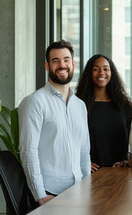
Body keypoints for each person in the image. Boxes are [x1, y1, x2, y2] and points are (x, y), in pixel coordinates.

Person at [19, 40, 91, 205]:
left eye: (66, 60)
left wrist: (88, 187)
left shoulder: (80, 106)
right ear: (47, 66)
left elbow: (84, 152)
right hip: (50, 194)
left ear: (73, 64)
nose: (62, 65)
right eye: (55, 61)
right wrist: (40, 195)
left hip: (79, 191)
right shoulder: (35, 101)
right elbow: (28, 151)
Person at [76, 54, 132, 172]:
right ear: (89, 73)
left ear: (111, 73)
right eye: (96, 69)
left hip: (119, 173)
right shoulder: (79, 105)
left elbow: (131, 141)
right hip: (89, 172)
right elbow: (72, 138)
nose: (101, 73)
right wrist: (81, 161)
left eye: (106, 69)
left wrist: (126, 160)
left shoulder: (125, 107)